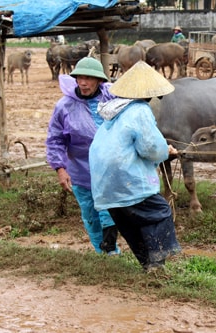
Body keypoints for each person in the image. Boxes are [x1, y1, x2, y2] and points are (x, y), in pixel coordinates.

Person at [89, 60, 182, 272]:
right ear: (152, 95)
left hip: (104, 184)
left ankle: (146, 264)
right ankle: (157, 263)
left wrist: (160, 149)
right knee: (158, 212)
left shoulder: (113, 110)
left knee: (128, 221)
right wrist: (165, 151)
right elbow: (150, 147)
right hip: (126, 178)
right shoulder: (140, 110)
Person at [46, 57, 121, 255]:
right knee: (90, 214)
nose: (84, 83)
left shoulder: (113, 99)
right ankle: (101, 252)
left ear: (99, 81)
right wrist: (60, 170)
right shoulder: (64, 106)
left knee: (109, 211)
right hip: (81, 170)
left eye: (89, 78)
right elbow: (55, 140)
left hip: (109, 169)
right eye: (80, 78)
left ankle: (110, 250)